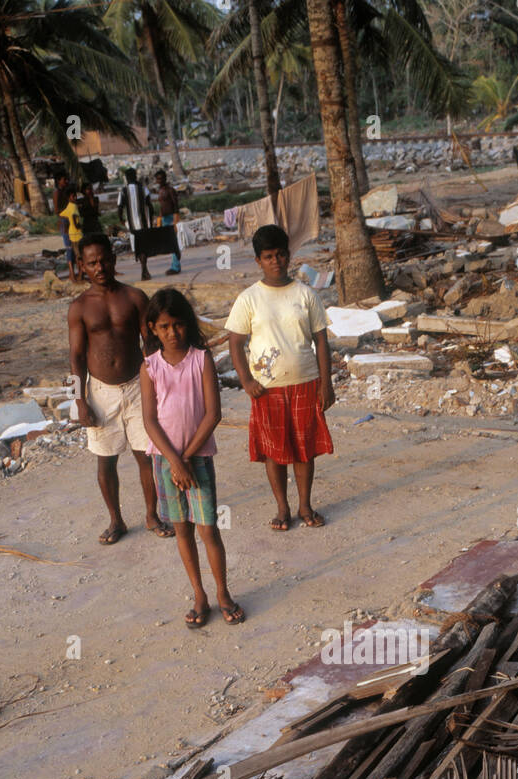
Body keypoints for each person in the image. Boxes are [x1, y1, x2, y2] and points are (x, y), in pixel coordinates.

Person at [140, 289, 242, 627]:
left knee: (208, 529)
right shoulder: (150, 367)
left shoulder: (201, 359)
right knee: (182, 530)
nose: (173, 333)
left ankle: (223, 592)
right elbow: (150, 421)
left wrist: (184, 459)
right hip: (166, 462)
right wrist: (173, 461)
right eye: (165, 326)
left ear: (188, 325)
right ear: (153, 328)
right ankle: (199, 593)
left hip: (195, 459)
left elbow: (213, 413)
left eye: (179, 325)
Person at [67, 233, 174, 544]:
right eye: (92, 263)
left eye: (104, 260)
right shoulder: (79, 308)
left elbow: (150, 342)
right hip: (100, 391)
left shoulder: (134, 297)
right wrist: (79, 400)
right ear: (82, 266)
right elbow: (75, 356)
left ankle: (152, 515)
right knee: (106, 459)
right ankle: (116, 520)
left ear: (113, 259)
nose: (100, 267)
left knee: (146, 455)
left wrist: (161, 382)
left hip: (137, 386)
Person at [225, 223, 333, 531]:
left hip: (306, 383)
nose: (276, 261)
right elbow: (235, 341)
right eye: (269, 256)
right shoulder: (249, 299)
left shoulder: (306, 295)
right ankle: (282, 507)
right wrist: (246, 381)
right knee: (274, 451)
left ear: (289, 256)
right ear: (258, 261)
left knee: (304, 448)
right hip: (266, 389)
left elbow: (321, 340)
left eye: (281, 254)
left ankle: (305, 505)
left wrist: (327, 384)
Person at [117, 167, 154, 281]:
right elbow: (150, 206)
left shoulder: (123, 191)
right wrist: (151, 220)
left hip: (132, 224)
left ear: (127, 178)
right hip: (144, 223)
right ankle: (144, 268)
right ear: (135, 177)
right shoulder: (143, 189)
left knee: (137, 246)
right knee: (144, 246)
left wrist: (122, 220)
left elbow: (119, 207)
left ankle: (144, 269)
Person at [154, 169, 181, 277]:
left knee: (173, 243)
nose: (159, 180)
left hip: (171, 218)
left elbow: (176, 205)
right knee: (170, 244)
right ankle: (175, 264)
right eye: (157, 179)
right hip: (164, 219)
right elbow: (162, 206)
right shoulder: (160, 191)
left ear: (165, 178)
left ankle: (176, 267)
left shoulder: (170, 190)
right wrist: (159, 219)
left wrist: (175, 221)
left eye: (161, 178)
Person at [59, 187, 84, 283]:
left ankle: (80, 274)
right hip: (75, 235)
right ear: (69, 197)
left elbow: (62, 215)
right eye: (73, 196)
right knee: (79, 256)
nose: (75, 197)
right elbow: (70, 217)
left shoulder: (72, 206)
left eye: (75, 195)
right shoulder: (72, 208)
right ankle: (80, 275)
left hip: (75, 235)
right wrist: (76, 225)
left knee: (79, 256)